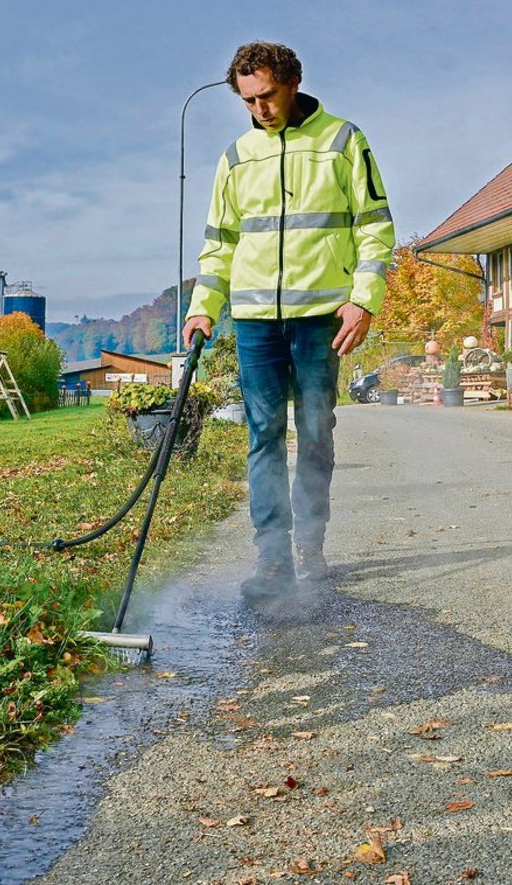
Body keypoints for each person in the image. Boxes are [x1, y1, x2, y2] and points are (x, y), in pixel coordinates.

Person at [182, 40, 394, 602]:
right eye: (248, 101)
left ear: (293, 82)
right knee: (263, 436)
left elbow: (375, 226)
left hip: (322, 318)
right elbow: (219, 244)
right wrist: (204, 306)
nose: (260, 110)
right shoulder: (235, 158)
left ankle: (311, 545)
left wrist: (363, 298)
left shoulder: (344, 141)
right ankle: (273, 558)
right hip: (254, 322)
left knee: (317, 432)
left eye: (267, 96)